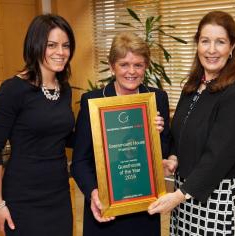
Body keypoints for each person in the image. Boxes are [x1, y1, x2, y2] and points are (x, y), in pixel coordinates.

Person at [148, 11, 235, 235]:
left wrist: (177, 196)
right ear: (197, 44)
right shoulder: (192, 87)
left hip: (217, 199)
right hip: (185, 195)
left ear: (233, 46)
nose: (211, 50)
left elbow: (217, 157)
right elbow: (181, 131)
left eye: (220, 42)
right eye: (205, 41)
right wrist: (174, 156)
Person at [0, 14, 75, 236]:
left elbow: (64, 136)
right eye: (51, 45)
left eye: (66, 45)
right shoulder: (13, 90)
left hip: (59, 194)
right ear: (35, 45)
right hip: (23, 198)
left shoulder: (64, 89)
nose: (60, 52)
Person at [71, 32, 170, 236]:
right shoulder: (93, 101)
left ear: (146, 66)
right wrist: (94, 193)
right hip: (105, 209)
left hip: (144, 208)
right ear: (112, 65)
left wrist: (157, 137)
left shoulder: (157, 99)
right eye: (124, 64)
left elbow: (166, 151)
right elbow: (79, 162)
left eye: (138, 65)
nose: (131, 71)